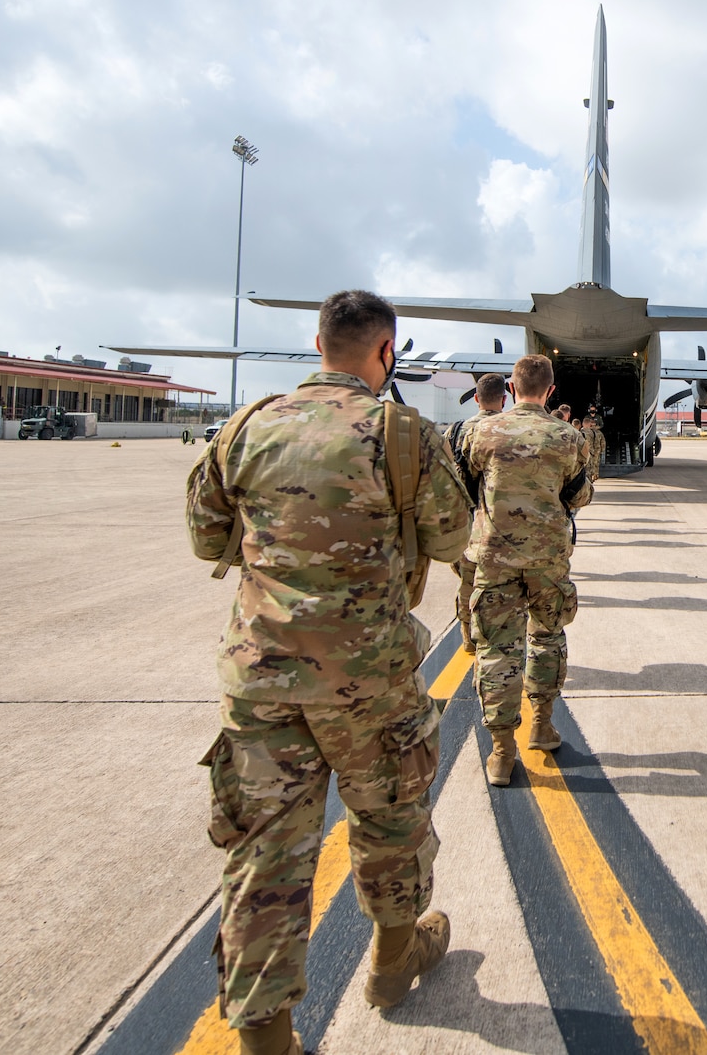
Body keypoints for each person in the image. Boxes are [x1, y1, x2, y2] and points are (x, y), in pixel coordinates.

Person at [186, 290, 471, 1053]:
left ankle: (267, 1041)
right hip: (369, 682)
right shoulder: (403, 433)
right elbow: (452, 537)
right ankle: (392, 960)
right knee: (391, 819)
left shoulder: (248, 426)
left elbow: (206, 536)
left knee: (264, 856)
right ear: (387, 351)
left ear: (318, 345)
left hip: (263, 682)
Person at [465, 353, 592, 786]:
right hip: (547, 560)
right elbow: (579, 496)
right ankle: (541, 725)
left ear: (511, 389)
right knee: (547, 637)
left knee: (496, 650)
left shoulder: (482, 432)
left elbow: (468, 483)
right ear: (550, 391)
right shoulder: (568, 436)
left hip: (494, 558)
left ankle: (502, 753)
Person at [445, 373, 507, 655]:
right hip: (499, 524)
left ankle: (469, 638)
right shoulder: (508, 430)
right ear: (504, 400)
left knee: (467, 583)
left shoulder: (455, 431)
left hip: (464, 523)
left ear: (476, 398)